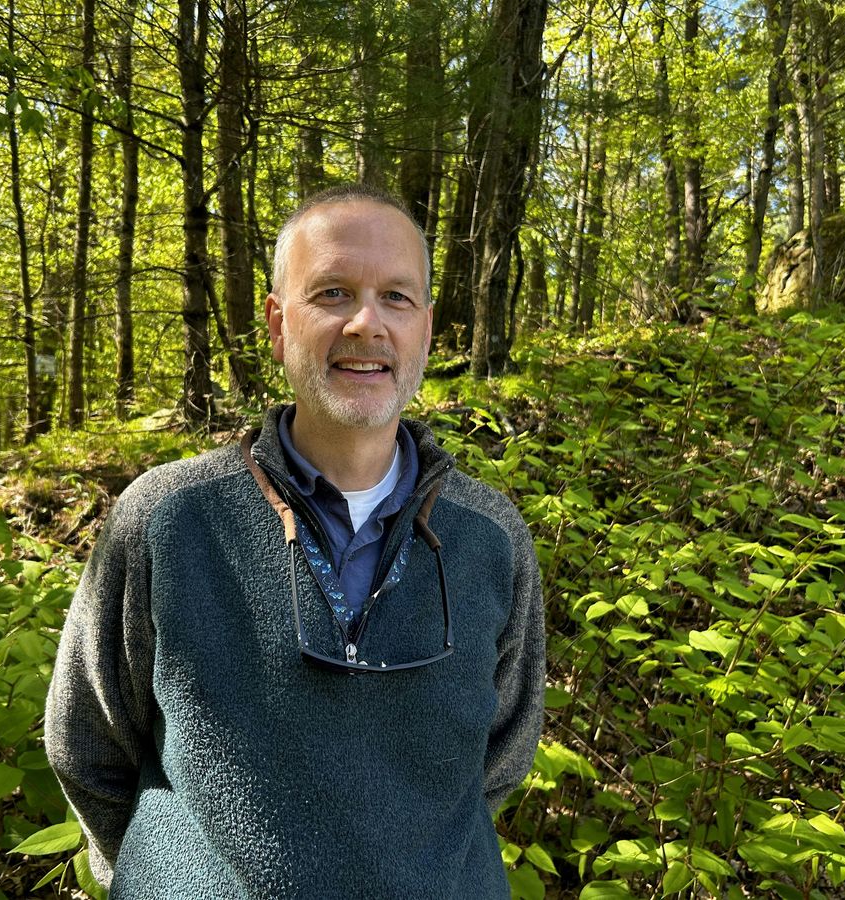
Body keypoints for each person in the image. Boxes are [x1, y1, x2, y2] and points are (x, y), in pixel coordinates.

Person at [44, 184, 546, 899]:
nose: (366, 322)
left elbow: (499, 760)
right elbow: (87, 745)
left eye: (397, 297)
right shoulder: (168, 517)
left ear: (427, 330)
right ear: (280, 325)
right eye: (333, 293)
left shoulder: (490, 539)